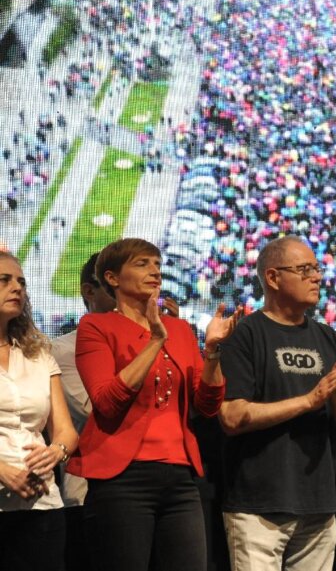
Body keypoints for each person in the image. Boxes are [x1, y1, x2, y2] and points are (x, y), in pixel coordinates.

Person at [68, 238, 240, 571]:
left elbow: (207, 405)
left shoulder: (180, 329)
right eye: (142, 263)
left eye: (158, 264)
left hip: (180, 477)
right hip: (122, 479)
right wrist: (156, 340)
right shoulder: (97, 327)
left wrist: (213, 352)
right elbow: (106, 401)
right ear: (112, 278)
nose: (155, 272)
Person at [218, 235, 336, 571]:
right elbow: (232, 415)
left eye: (316, 268)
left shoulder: (329, 337)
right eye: (304, 269)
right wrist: (309, 400)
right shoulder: (245, 335)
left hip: (319, 504)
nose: (316, 277)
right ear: (272, 277)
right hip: (257, 507)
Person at [0, 251, 78, 571]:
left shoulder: (38, 352)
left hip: (42, 503)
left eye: (21, 281)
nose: (17, 288)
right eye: (5, 280)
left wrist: (56, 452)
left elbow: (66, 431)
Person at [49, 253, 114, 571]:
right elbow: (97, 410)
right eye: (115, 289)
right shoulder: (63, 349)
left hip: (150, 487)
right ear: (90, 292)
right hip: (90, 493)